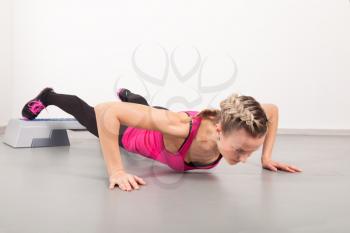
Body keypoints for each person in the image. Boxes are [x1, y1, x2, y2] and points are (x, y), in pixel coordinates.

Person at [21, 87, 302, 192]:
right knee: (89, 114)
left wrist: (265, 158)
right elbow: (112, 117)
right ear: (218, 131)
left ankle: (132, 97)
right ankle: (49, 96)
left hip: (163, 120)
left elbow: (272, 111)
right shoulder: (180, 128)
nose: (243, 160)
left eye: (250, 153)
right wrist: (117, 170)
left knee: (151, 111)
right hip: (130, 134)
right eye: (240, 151)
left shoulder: (236, 123)